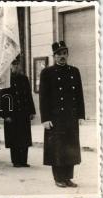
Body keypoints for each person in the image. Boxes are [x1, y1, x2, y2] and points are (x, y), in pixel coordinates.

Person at [39, 41, 85, 188]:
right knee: (57, 148)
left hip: (70, 117)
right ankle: (58, 178)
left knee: (70, 147)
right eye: (59, 54)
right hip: (55, 118)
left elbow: (79, 95)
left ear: (67, 54)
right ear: (54, 56)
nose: (62, 56)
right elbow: (43, 98)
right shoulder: (47, 72)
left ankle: (68, 177)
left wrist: (81, 115)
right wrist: (45, 118)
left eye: (64, 53)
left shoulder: (74, 71)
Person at [2, 56, 35, 167]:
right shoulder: (6, 80)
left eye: (17, 64)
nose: (15, 66)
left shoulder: (24, 79)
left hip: (23, 113)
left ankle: (24, 160)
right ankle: (16, 160)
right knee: (14, 137)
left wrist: (31, 111)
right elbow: (3, 99)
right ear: (9, 66)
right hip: (12, 114)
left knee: (24, 137)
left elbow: (28, 96)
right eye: (13, 64)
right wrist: (5, 114)